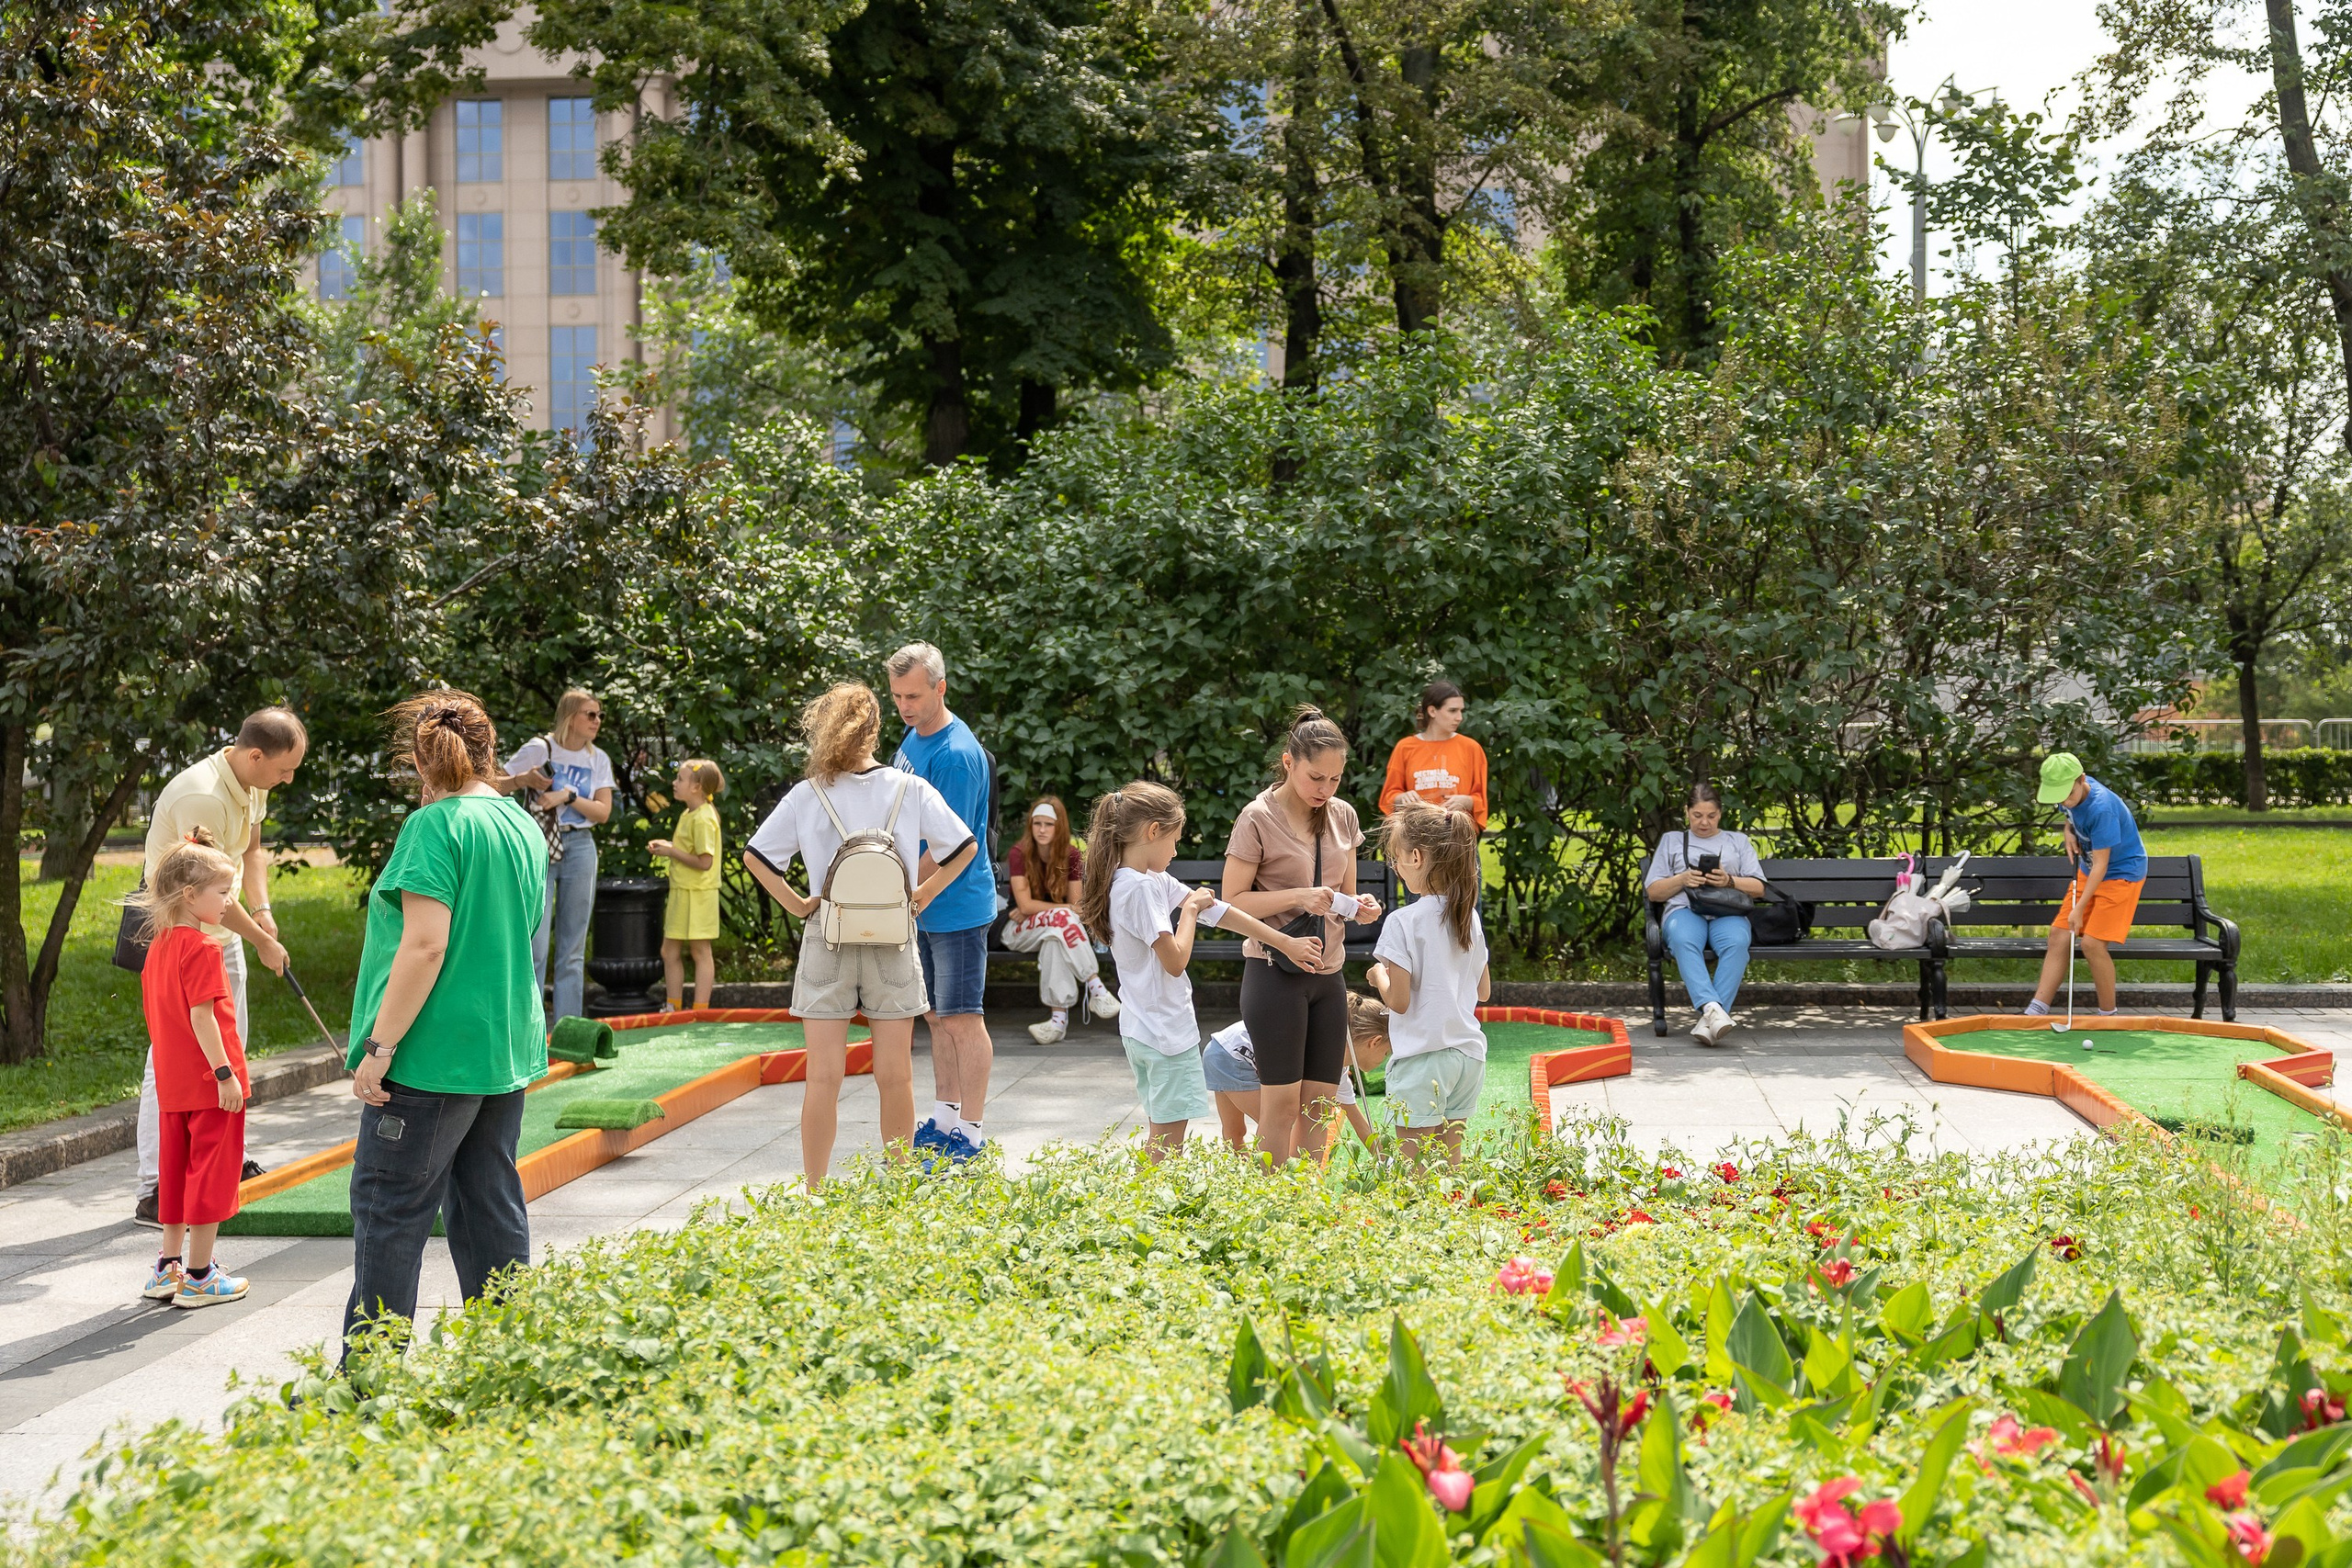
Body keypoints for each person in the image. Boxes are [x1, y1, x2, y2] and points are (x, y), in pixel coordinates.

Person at [344, 692, 548, 1358]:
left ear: (419, 764)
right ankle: (507, 1361)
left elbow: (426, 945)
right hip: (502, 1048)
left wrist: (380, 1046)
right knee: (491, 1207)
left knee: (389, 1210)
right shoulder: (518, 822)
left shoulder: (432, 827)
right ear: (489, 752)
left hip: (431, 1055)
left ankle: (364, 1384)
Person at [745, 682, 978, 1187]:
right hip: (893, 939)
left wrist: (800, 904)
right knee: (895, 1076)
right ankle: (898, 1186)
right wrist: (925, 893)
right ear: (876, 728)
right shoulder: (908, 788)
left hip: (826, 936)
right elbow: (963, 845)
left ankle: (814, 1190)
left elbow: (757, 858)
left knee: (823, 1077)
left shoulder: (809, 794)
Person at [1080, 782, 1321, 1163]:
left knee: (1164, 1132)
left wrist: (1282, 941)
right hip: (1163, 1033)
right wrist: (1189, 912)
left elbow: (1217, 910)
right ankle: (1148, 1211)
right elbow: (1175, 961)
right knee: (1167, 1141)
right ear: (1152, 831)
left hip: (1144, 1028)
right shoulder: (1139, 888)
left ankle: (1147, 1206)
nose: (1176, 851)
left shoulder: (1144, 880)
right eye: (1174, 840)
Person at [130, 708, 304, 1228]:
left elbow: (250, 852)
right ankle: (155, 1186)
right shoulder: (201, 796)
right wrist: (262, 943)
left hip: (219, 935)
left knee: (229, 1049)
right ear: (255, 756)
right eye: (284, 769)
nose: (288, 779)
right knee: (171, 1058)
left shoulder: (252, 783)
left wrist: (264, 914)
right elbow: (204, 888)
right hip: (180, 938)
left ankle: (222, 1160)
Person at [1222, 706, 1383, 1166]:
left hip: (1328, 975)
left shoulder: (1343, 816)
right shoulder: (1256, 818)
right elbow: (1230, 901)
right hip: (1274, 971)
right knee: (1282, 1108)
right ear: (1289, 762)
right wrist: (1301, 895)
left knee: (1320, 1106)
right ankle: (1267, 1208)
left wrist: (1362, 908)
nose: (1325, 790)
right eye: (1316, 778)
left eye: (1334, 780)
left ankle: (1305, 1209)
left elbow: (1344, 897)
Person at [885, 644, 1000, 1156]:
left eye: (913, 695)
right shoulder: (914, 735)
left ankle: (971, 1133)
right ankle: (944, 1116)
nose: (905, 706)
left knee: (961, 1019)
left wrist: (893, 884)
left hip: (955, 906)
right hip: (922, 903)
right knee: (934, 1017)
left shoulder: (956, 754)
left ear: (940, 688)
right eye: (897, 696)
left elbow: (946, 846)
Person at [130, 829, 252, 1309]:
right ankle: (200, 1276)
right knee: (211, 1174)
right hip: (209, 1085)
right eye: (222, 893)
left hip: (175, 1085)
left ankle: (168, 1266)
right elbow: (204, 1016)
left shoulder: (158, 948)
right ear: (189, 895)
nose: (228, 902)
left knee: (176, 1173)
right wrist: (225, 1075)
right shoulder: (203, 949)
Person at [1365, 798, 1492, 1165]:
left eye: (1396, 858)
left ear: (1417, 858)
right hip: (1468, 1057)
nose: (1397, 867)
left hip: (1423, 1058)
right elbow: (1482, 992)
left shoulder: (1403, 922)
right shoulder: (1469, 916)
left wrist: (1379, 977)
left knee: (1415, 1169)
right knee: (1448, 1167)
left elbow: (1399, 1002)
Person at [502, 689, 614, 1024]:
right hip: (538, 845)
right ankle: (531, 1032)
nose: (597, 721)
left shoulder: (598, 758)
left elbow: (603, 812)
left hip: (580, 846)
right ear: (569, 716)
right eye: (590, 714)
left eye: (599, 716)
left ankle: (567, 1031)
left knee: (573, 951)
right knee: (534, 946)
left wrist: (566, 795)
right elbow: (492, 784)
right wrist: (522, 779)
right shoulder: (540, 748)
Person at [1643, 784, 1767, 1047]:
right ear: (1686, 812)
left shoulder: (1737, 841)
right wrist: (1682, 878)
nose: (1704, 822)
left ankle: (1709, 1019)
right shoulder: (1672, 840)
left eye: (1711, 816)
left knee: (1736, 942)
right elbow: (1654, 892)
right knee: (1684, 939)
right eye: (1697, 815)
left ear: (1720, 814)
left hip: (1728, 912)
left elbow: (1759, 888)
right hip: (1685, 910)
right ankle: (1713, 1009)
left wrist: (1729, 880)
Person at [2026, 751, 2147, 1019]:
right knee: (2059, 935)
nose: (2062, 800)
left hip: (2121, 874)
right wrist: (2068, 831)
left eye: (2067, 794)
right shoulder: (2067, 791)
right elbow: (2070, 815)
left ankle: (2108, 1014)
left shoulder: (2101, 808)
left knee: (2091, 944)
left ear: (2081, 780)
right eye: (2057, 795)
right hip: (2089, 869)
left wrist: (2079, 908)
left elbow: (2103, 865)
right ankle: (2037, 1009)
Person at [1203, 993, 1393, 1154]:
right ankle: (1282, 1183)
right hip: (1232, 1057)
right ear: (1374, 1042)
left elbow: (1358, 1120)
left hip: (1221, 1050)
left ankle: (1247, 1181)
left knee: (1236, 1131)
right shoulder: (1316, 1047)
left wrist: (1386, 1159)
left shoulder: (1339, 1069)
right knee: (1278, 1126)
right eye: (1386, 1052)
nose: (1384, 1059)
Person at [1001, 796, 1120, 1043]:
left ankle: (1057, 1022)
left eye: (1048, 824)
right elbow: (1025, 906)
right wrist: (1059, 909)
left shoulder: (1071, 855)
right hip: (1015, 929)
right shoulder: (1019, 853)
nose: (1042, 830)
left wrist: (1042, 909)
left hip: (1055, 930)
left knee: (1054, 940)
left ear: (1059, 827)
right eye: (1037, 824)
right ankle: (1095, 987)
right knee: (1062, 917)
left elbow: (1076, 907)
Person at [650, 759, 725, 1012]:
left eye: (680, 779)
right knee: (669, 951)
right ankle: (674, 1008)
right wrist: (670, 848)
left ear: (696, 787)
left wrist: (671, 852)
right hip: (683, 892)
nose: (674, 783)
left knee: (700, 951)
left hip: (700, 894)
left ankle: (699, 1011)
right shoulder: (689, 813)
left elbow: (705, 862)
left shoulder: (704, 818)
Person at [1380, 680, 1488, 830]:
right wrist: (1402, 798)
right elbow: (1388, 798)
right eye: (1452, 711)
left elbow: (1481, 801)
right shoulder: (1405, 747)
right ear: (1432, 711)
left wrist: (1467, 801)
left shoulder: (1471, 748)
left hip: (1458, 838)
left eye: (1461, 711)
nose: (1460, 717)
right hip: (1417, 837)